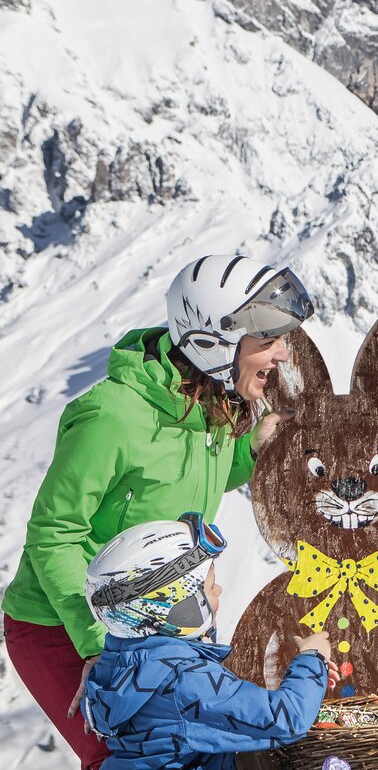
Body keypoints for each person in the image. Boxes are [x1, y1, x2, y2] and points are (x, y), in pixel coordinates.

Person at [2, 255, 309, 768]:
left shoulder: (211, 400)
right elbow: (53, 535)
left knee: (198, 751)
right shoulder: (112, 416)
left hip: (161, 622)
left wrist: (249, 451)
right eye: (267, 340)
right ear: (214, 342)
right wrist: (100, 645)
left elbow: (181, 479)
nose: (282, 353)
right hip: (65, 625)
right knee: (126, 755)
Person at [81, 513, 337, 770]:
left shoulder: (116, 664)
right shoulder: (185, 680)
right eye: (210, 585)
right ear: (176, 606)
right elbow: (288, 719)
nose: (218, 590)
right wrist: (312, 658)